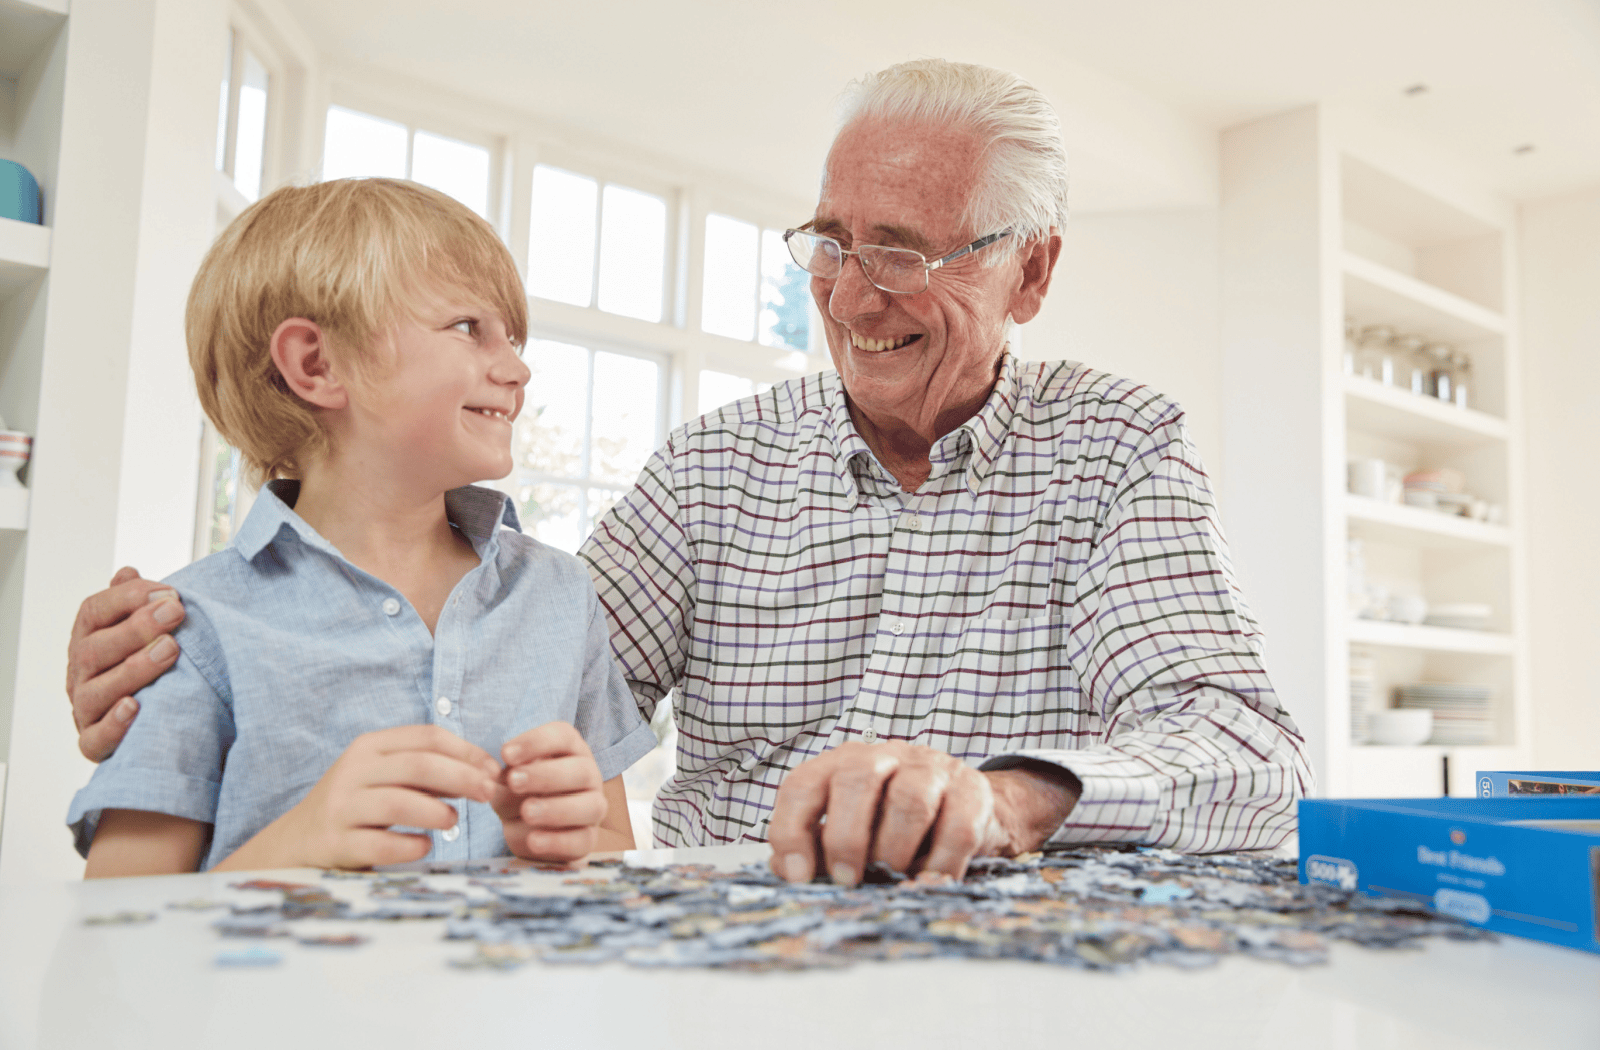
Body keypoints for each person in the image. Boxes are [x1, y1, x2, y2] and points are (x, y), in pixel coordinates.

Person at [67, 60, 1312, 887]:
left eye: (901, 250)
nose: (849, 293)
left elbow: (1251, 763)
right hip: (724, 976)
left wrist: (1012, 798)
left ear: (1028, 274)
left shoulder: (1116, 447)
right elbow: (480, 650)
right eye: (829, 242)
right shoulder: (712, 472)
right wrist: (184, 658)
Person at [68, 178, 655, 877]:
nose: (517, 367)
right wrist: (291, 847)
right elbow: (115, 930)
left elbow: (614, 843)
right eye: (470, 328)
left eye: (514, 337)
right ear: (317, 364)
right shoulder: (191, 631)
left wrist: (568, 840)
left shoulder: (559, 595)